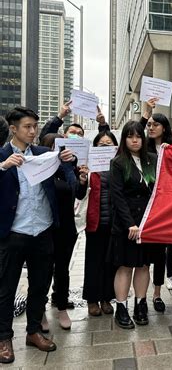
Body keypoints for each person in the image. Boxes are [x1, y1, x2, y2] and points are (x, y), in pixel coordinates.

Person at [0, 107, 75, 364]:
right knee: (6, 288)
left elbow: (70, 180)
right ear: (13, 128)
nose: (32, 131)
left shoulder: (44, 154)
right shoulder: (2, 157)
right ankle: (4, 338)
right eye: (27, 127)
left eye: (34, 126)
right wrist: (2, 167)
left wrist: (71, 162)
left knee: (40, 285)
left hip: (43, 230)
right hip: (13, 233)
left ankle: (33, 331)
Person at [109, 121, 156, 329]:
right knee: (125, 266)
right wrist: (130, 224)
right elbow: (117, 196)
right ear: (124, 139)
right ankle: (121, 307)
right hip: (126, 223)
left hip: (148, 222)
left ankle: (141, 304)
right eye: (130, 136)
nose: (135, 140)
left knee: (144, 265)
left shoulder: (152, 159)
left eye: (138, 136)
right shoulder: (118, 162)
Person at [39, 134, 85, 330]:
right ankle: (39, 309)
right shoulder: (39, 169)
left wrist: (81, 180)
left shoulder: (68, 168)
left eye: (60, 148)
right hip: (44, 228)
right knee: (42, 270)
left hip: (66, 228)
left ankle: (61, 306)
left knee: (62, 270)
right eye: (52, 147)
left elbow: (78, 193)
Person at [139, 101, 172, 311]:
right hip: (145, 206)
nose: (151, 127)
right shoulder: (141, 148)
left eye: (156, 124)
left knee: (160, 254)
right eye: (149, 124)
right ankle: (142, 296)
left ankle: (157, 294)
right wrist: (145, 113)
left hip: (165, 207)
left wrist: (171, 152)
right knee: (144, 255)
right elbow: (135, 131)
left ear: (165, 127)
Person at [77, 131, 118, 317]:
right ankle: (92, 300)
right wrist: (83, 179)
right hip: (95, 222)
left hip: (115, 223)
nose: (105, 148)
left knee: (111, 262)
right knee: (94, 262)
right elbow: (79, 193)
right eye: (102, 145)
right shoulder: (88, 166)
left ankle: (106, 298)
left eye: (109, 144)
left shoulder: (119, 166)